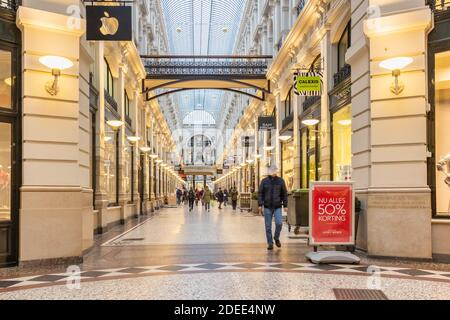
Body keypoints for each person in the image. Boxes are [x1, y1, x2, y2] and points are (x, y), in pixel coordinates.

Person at [258, 165, 288, 251]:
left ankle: (276, 237)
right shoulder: (264, 181)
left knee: (279, 223)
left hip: (277, 206)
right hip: (267, 206)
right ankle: (270, 243)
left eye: (275, 170)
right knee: (268, 226)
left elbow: (284, 194)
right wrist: (260, 205)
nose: (274, 171)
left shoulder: (281, 181)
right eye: (272, 170)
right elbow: (260, 193)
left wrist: (285, 205)